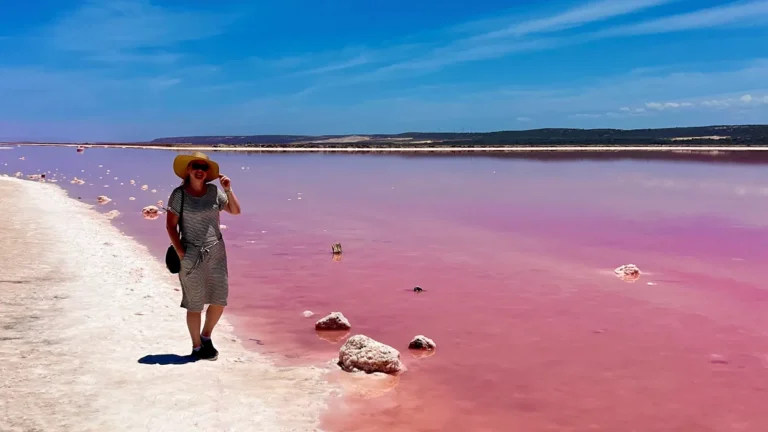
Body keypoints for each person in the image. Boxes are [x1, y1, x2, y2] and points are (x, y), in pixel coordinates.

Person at [166, 152, 241, 360]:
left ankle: (206, 336)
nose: (200, 170)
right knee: (195, 303)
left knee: (219, 299)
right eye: (196, 166)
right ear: (188, 170)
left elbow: (235, 211)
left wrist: (228, 189)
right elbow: (170, 226)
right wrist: (181, 252)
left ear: (207, 172)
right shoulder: (179, 195)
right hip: (191, 254)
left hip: (217, 252)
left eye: (204, 167)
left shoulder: (214, 192)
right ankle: (197, 347)